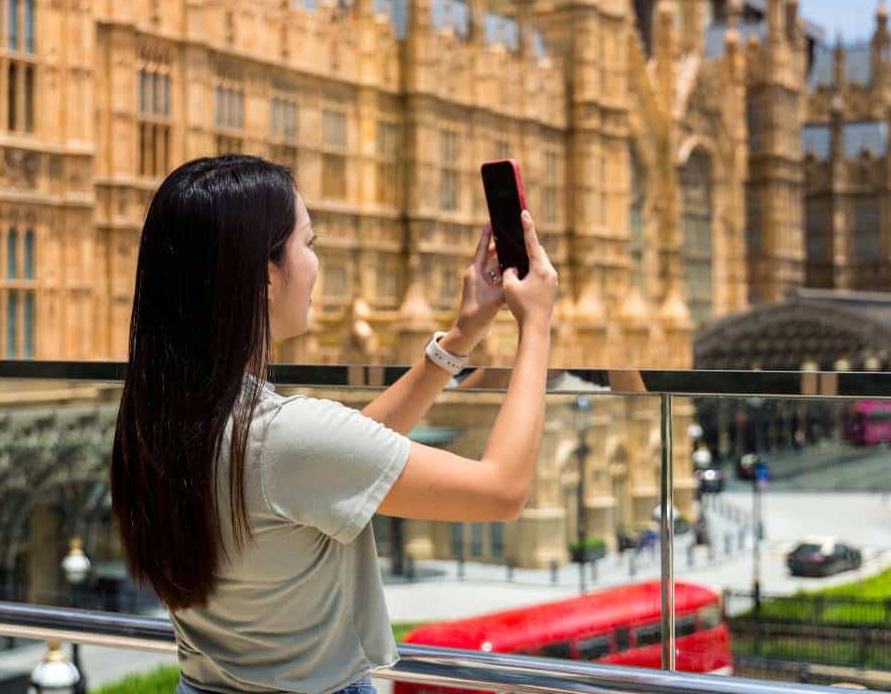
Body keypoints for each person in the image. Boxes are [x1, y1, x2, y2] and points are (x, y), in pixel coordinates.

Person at [110, 155, 559, 694]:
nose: (317, 264)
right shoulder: (282, 438)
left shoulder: (163, 418)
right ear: (266, 276)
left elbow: (342, 460)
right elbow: (502, 491)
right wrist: (535, 326)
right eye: (309, 243)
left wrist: (459, 339)